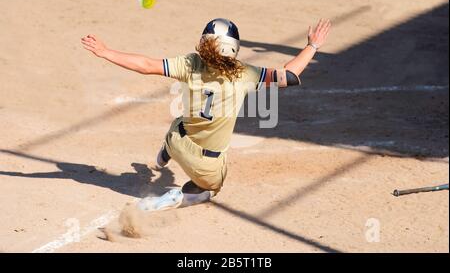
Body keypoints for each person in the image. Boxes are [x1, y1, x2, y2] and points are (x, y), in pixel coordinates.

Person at [81, 18, 331, 211]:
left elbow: (146, 66)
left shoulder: (191, 64)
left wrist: (106, 51)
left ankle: (164, 154)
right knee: (210, 190)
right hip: (207, 165)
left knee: (180, 120)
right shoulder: (245, 74)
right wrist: (313, 45)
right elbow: (289, 75)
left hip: (180, 141)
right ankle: (177, 197)